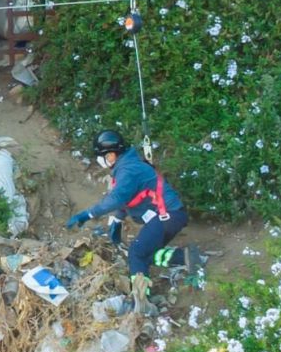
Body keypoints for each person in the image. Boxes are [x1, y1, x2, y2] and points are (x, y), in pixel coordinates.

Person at [66, 130, 200, 315]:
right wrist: (118, 220)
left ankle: (141, 301)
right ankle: (184, 256)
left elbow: (116, 198)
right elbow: (128, 199)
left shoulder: (128, 169)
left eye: (102, 156)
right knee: (143, 255)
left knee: (136, 252)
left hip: (167, 215)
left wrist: (87, 214)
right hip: (169, 217)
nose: (101, 160)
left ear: (111, 154)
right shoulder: (127, 166)